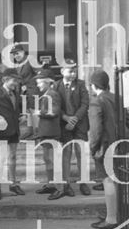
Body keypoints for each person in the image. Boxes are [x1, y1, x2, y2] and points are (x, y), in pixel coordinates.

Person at [49, 59, 91, 200]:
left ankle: (83, 182)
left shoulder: (81, 84)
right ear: (62, 71)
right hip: (64, 124)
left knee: (80, 153)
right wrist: (66, 118)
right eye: (70, 71)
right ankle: (67, 184)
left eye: (74, 71)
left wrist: (75, 119)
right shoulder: (56, 86)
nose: (73, 74)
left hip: (79, 124)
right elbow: (54, 105)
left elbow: (85, 103)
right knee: (66, 153)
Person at [88, 69, 118, 229]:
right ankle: (113, 213)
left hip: (104, 146)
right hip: (119, 143)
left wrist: (92, 147)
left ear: (93, 85)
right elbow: (126, 120)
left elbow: (95, 130)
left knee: (108, 181)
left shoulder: (96, 101)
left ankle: (111, 219)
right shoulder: (116, 97)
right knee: (115, 180)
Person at [0, 68, 25, 199]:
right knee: (1, 159)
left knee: (13, 157)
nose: (16, 83)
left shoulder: (16, 93)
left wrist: (21, 116)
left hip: (14, 129)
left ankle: (13, 184)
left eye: (17, 80)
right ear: (5, 80)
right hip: (2, 131)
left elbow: (17, 109)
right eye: (14, 80)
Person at [33, 67, 61, 197]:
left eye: (40, 82)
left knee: (53, 160)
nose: (38, 84)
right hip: (46, 131)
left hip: (51, 132)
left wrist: (39, 112)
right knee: (47, 159)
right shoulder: (47, 94)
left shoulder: (52, 94)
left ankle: (59, 188)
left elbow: (54, 111)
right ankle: (51, 184)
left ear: (48, 82)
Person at [9, 43, 38, 139]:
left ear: (23, 52)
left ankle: (37, 133)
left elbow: (40, 73)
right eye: (14, 54)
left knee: (34, 111)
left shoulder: (30, 60)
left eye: (17, 53)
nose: (15, 56)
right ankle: (30, 131)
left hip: (33, 90)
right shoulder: (17, 65)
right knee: (28, 111)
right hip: (24, 92)